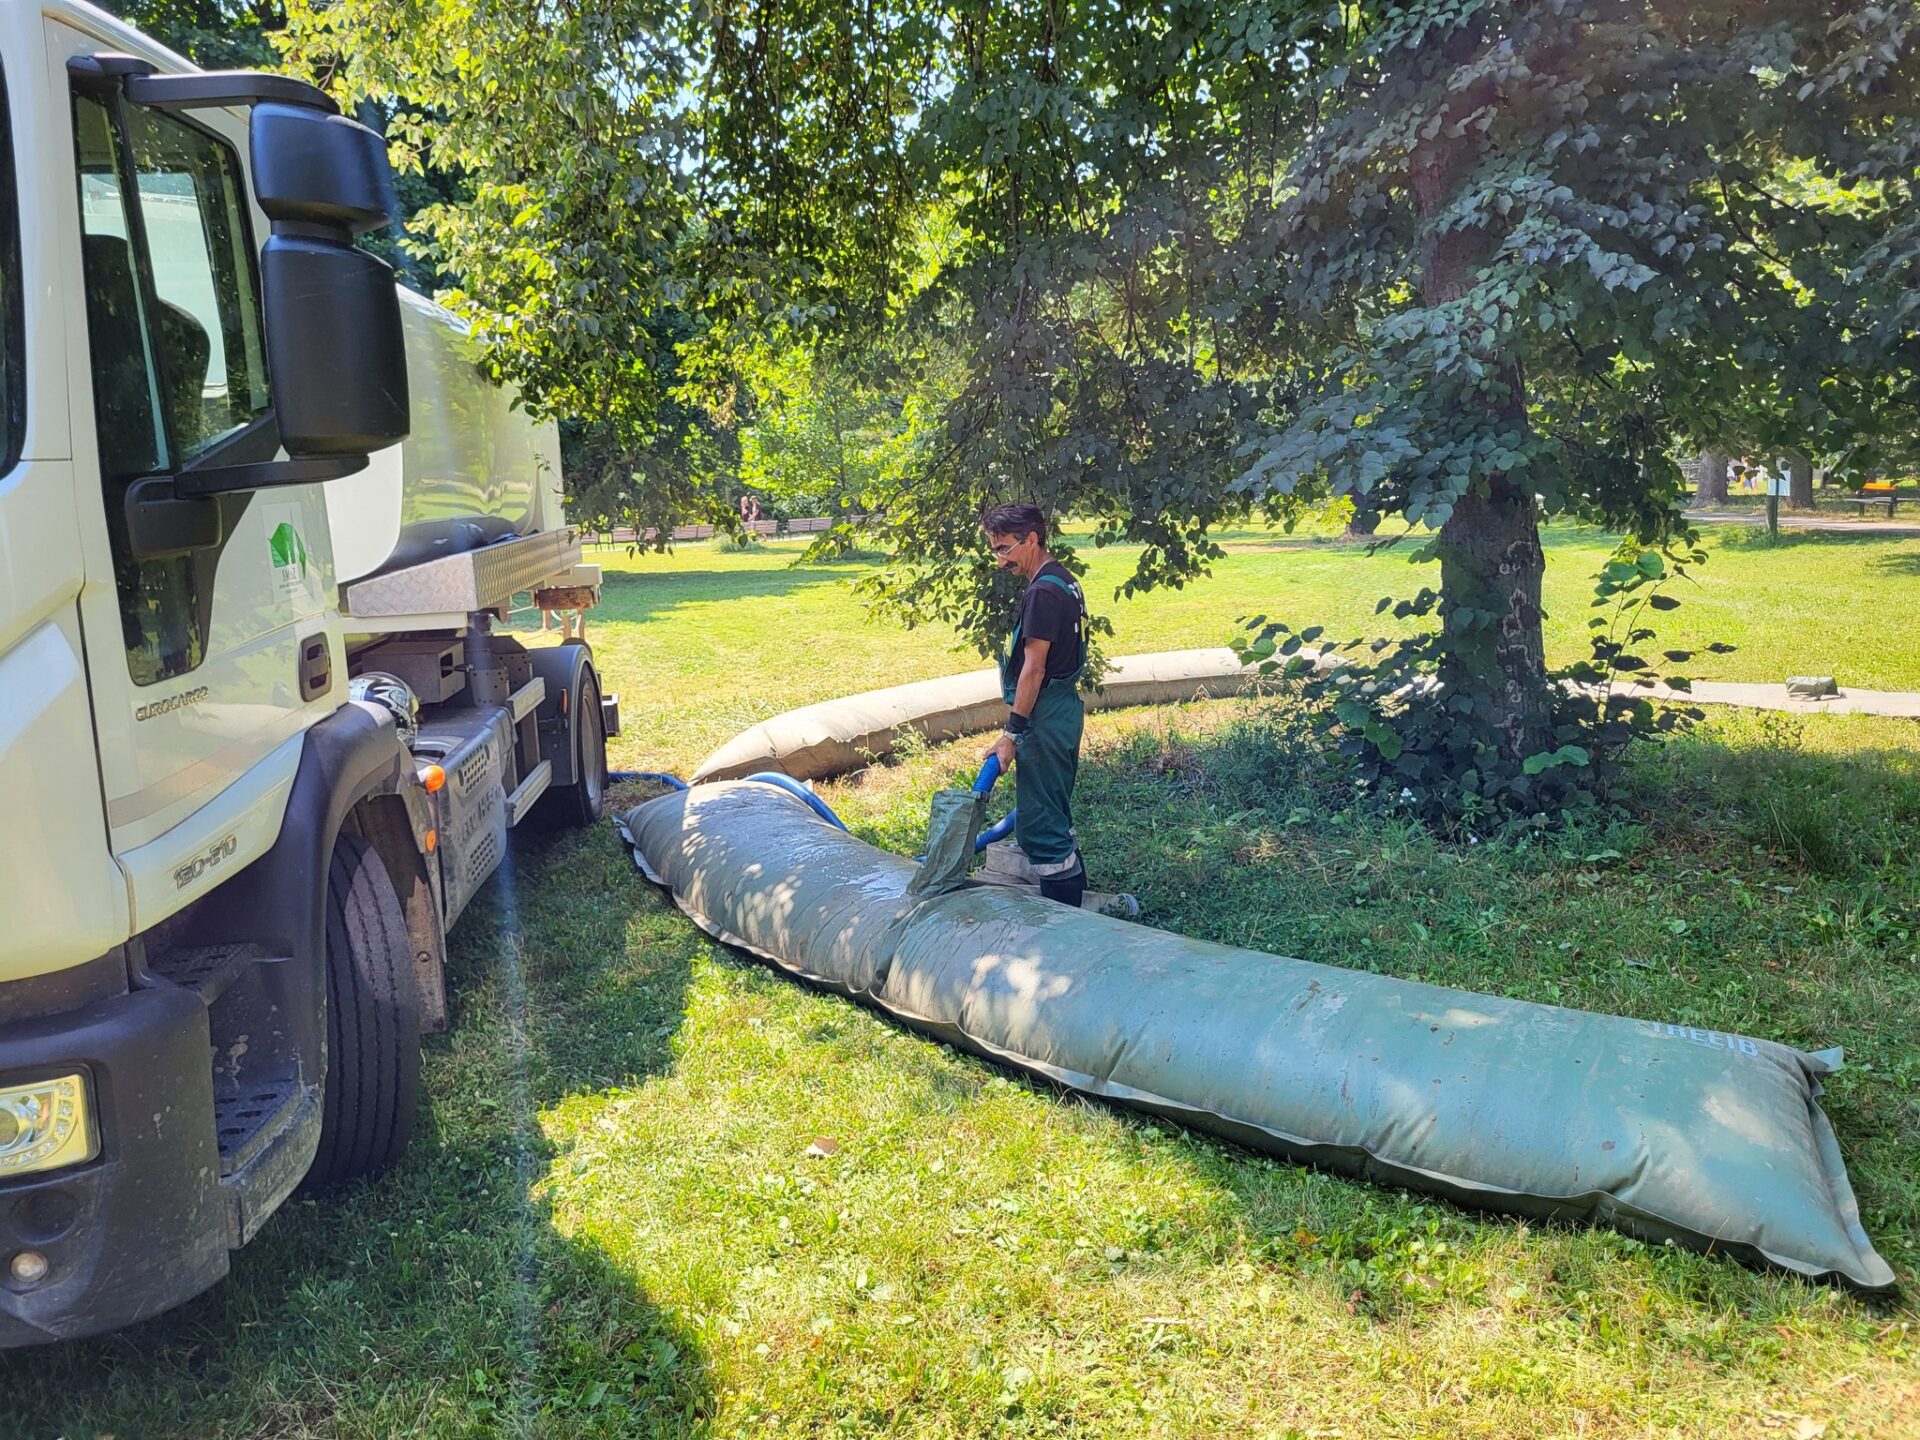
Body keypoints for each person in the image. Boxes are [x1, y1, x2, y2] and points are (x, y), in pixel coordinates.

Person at [981, 503, 1088, 908]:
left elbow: (1033, 670)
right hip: (1061, 710)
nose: (1000, 559)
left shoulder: (1042, 592)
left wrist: (1012, 733)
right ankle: (1080, 910)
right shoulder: (1062, 580)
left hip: (1044, 715)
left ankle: (1064, 931)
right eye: (994, 549)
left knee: (1043, 828)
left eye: (1006, 549)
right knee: (1050, 814)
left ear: (1032, 540)